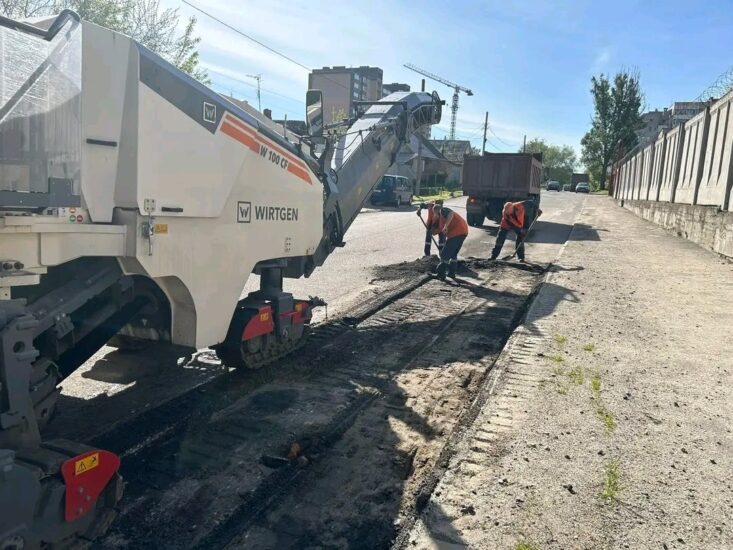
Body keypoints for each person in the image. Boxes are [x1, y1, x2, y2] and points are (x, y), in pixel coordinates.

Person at [435, 204, 469, 280]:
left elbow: (451, 214)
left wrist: (446, 226)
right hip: (463, 232)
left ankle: (440, 274)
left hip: (457, 233)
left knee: (444, 254)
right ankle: (452, 273)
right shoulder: (441, 220)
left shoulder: (443, 210)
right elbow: (436, 231)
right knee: (453, 254)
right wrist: (430, 232)